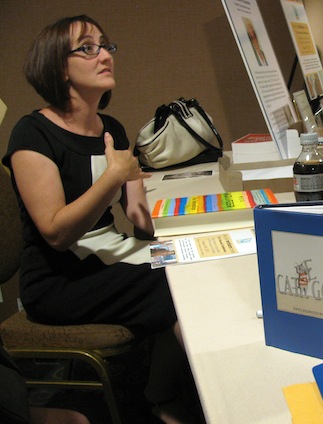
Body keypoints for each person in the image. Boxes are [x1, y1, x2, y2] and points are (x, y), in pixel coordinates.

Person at [1, 16, 202, 424]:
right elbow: (56, 232)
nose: (105, 55)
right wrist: (113, 177)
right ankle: (192, 401)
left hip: (112, 253)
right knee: (166, 282)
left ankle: (165, 393)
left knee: (189, 263)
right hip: (59, 279)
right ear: (59, 66)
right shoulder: (32, 133)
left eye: (106, 46)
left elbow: (136, 220)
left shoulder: (110, 128)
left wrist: (146, 215)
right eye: (88, 48)